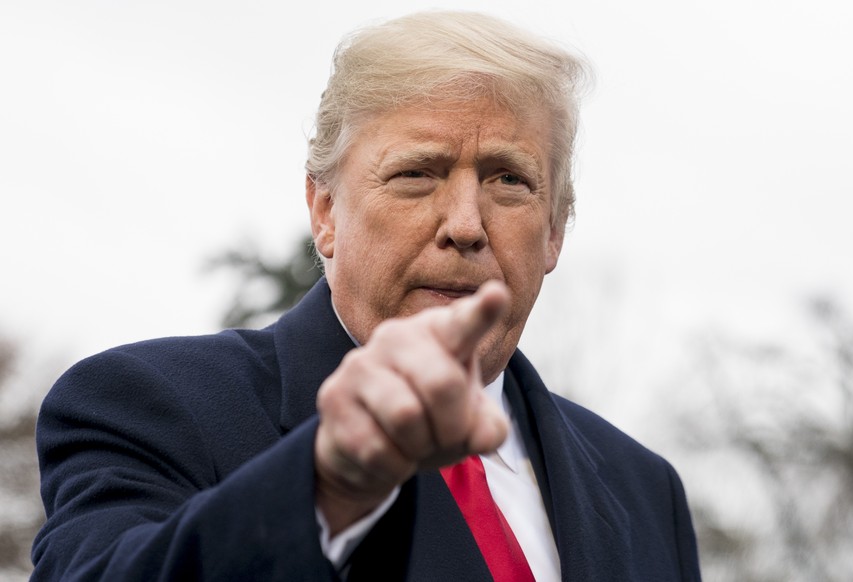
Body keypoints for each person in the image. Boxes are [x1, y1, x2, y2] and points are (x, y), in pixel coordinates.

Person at [31, 10, 701, 581]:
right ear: (324, 210)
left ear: (554, 231)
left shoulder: (644, 491)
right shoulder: (149, 407)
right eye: (416, 174)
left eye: (508, 180)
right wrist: (328, 487)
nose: (465, 224)